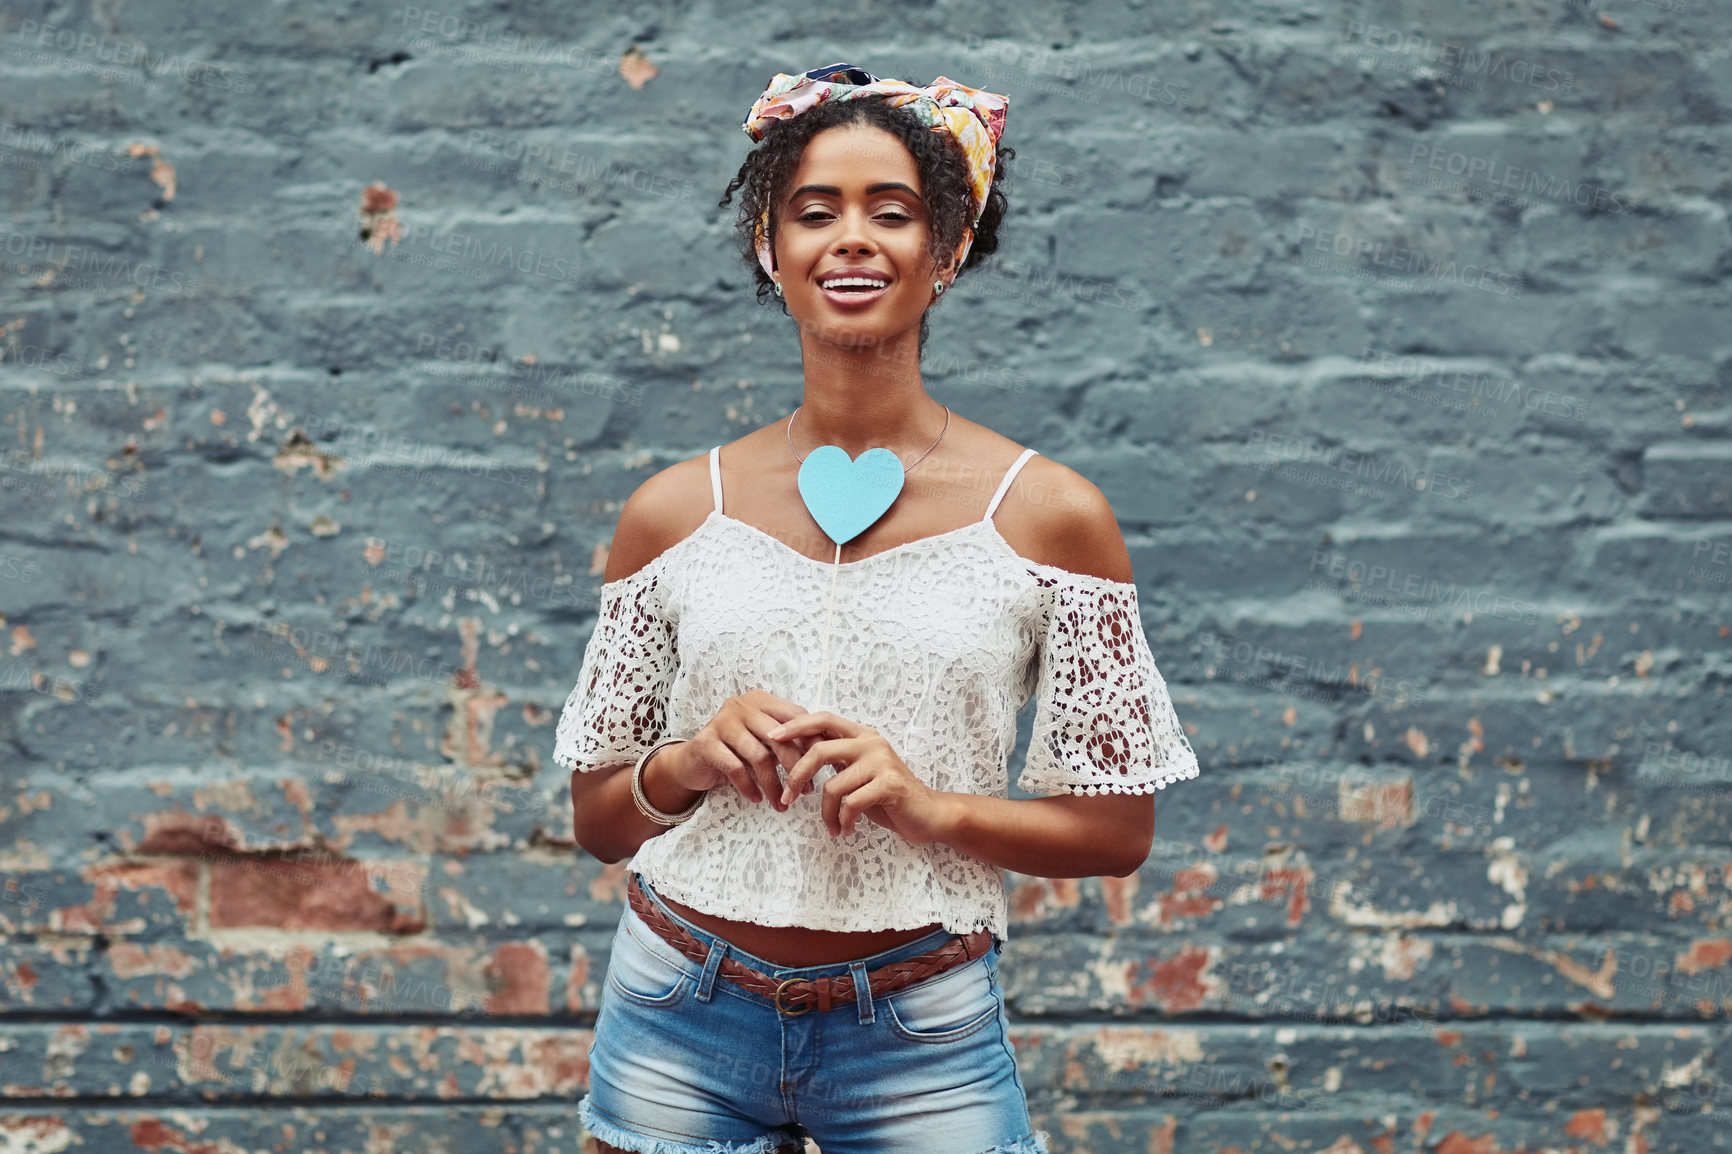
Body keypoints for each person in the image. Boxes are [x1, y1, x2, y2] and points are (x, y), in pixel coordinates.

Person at [554, 62, 1200, 1154]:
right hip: (676, 1005)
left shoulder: (1048, 514)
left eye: (889, 212)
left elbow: (1114, 828)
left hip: (920, 1028)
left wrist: (926, 803)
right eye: (815, 211)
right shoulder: (671, 511)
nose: (851, 238)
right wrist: (688, 760)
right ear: (771, 246)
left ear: (945, 251)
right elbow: (597, 818)